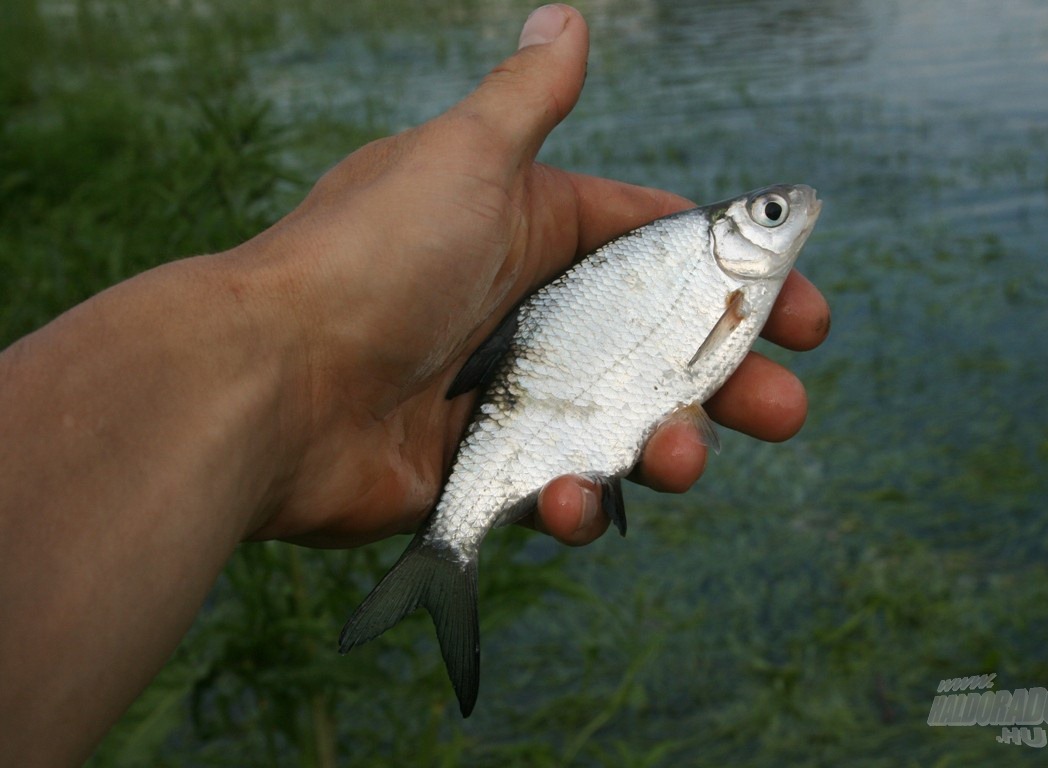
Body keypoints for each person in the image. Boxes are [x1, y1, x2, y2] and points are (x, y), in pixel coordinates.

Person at [0, 4, 829, 765]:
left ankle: (446, 552)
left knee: (650, 447)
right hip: (532, 382)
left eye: (771, 214)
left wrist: (286, 363)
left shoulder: (707, 270)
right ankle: (446, 553)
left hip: (540, 385)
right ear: (733, 240)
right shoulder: (702, 265)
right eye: (767, 213)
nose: (786, 210)